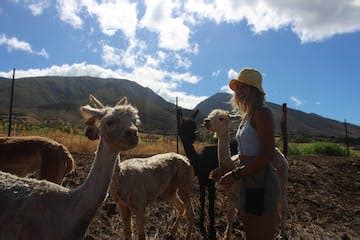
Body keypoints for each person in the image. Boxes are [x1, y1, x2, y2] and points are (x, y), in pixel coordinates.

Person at [210, 67, 280, 239]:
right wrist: (226, 168)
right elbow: (244, 153)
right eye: (238, 87)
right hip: (247, 177)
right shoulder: (247, 117)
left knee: (260, 233)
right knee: (250, 231)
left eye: (244, 87)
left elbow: (268, 154)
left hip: (260, 180)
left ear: (255, 91)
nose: (239, 91)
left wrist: (235, 174)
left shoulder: (262, 113)